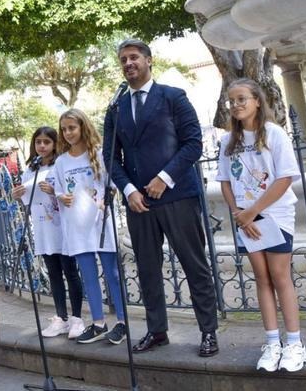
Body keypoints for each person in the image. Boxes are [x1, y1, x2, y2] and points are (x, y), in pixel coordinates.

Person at [103, 38, 219, 357]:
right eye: (123, 59)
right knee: (147, 268)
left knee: (194, 265)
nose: (128, 63)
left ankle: (208, 331)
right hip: (139, 203)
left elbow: (193, 143)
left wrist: (163, 178)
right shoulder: (116, 107)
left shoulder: (173, 97)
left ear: (149, 60)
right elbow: (110, 156)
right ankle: (157, 330)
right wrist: (129, 190)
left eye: (134, 57)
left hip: (178, 196)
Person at [216, 78, 306, 372]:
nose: (236, 105)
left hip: (274, 215)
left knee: (280, 276)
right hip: (247, 220)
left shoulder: (274, 134)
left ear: (257, 100)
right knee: (261, 278)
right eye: (232, 101)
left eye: (242, 99)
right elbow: (226, 182)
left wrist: (253, 211)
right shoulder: (229, 142)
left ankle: (294, 343)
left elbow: (284, 179)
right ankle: (272, 342)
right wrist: (239, 213)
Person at [53, 109, 126, 345]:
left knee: (112, 274)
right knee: (89, 275)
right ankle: (98, 323)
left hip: (100, 223)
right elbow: (58, 189)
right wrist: (61, 196)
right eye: (64, 129)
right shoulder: (61, 161)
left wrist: (107, 197)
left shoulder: (100, 154)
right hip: (77, 227)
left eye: (72, 127)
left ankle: (122, 323)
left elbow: (112, 184)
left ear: (83, 127)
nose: (68, 133)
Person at [12, 126, 85, 339]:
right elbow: (27, 197)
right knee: (53, 273)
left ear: (55, 143)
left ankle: (77, 319)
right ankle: (61, 317)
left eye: (47, 142)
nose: (42, 146)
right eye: (38, 142)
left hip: (62, 227)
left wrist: (55, 192)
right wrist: (17, 194)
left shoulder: (61, 164)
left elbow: (72, 192)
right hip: (43, 227)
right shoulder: (30, 169)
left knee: (70, 272)